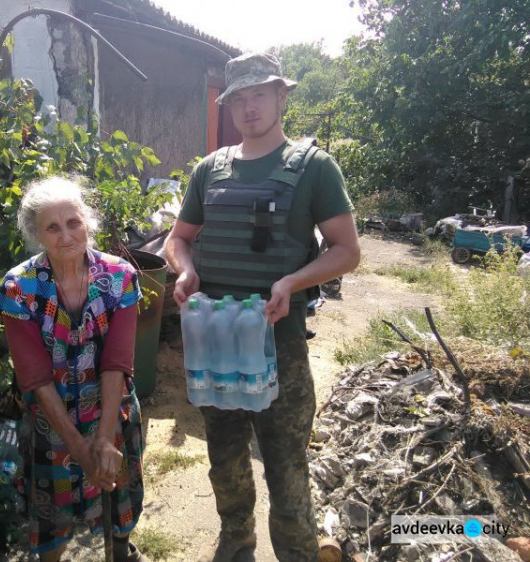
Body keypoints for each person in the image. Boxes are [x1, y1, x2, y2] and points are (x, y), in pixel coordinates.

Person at [165, 53, 360, 562]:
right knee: (225, 457)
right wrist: (185, 270)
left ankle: (296, 552)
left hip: (281, 344)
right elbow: (178, 238)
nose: (248, 108)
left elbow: (347, 250)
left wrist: (293, 282)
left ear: (281, 96)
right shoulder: (211, 170)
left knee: (286, 464)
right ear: (228, 106)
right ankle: (236, 543)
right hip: (216, 341)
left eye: (259, 95)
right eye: (239, 99)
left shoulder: (314, 167)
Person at [0, 176, 149, 562]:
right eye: (52, 227)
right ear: (37, 235)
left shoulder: (119, 278)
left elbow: (117, 364)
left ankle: (121, 549)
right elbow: (36, 379)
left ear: (88, 223)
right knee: (53, 518)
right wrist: (78, 447)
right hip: (52, 421)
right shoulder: (20, 289)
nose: (66, 236)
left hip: (112, 414)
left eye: (73, 222)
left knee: (119, 496)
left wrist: (104, 437)